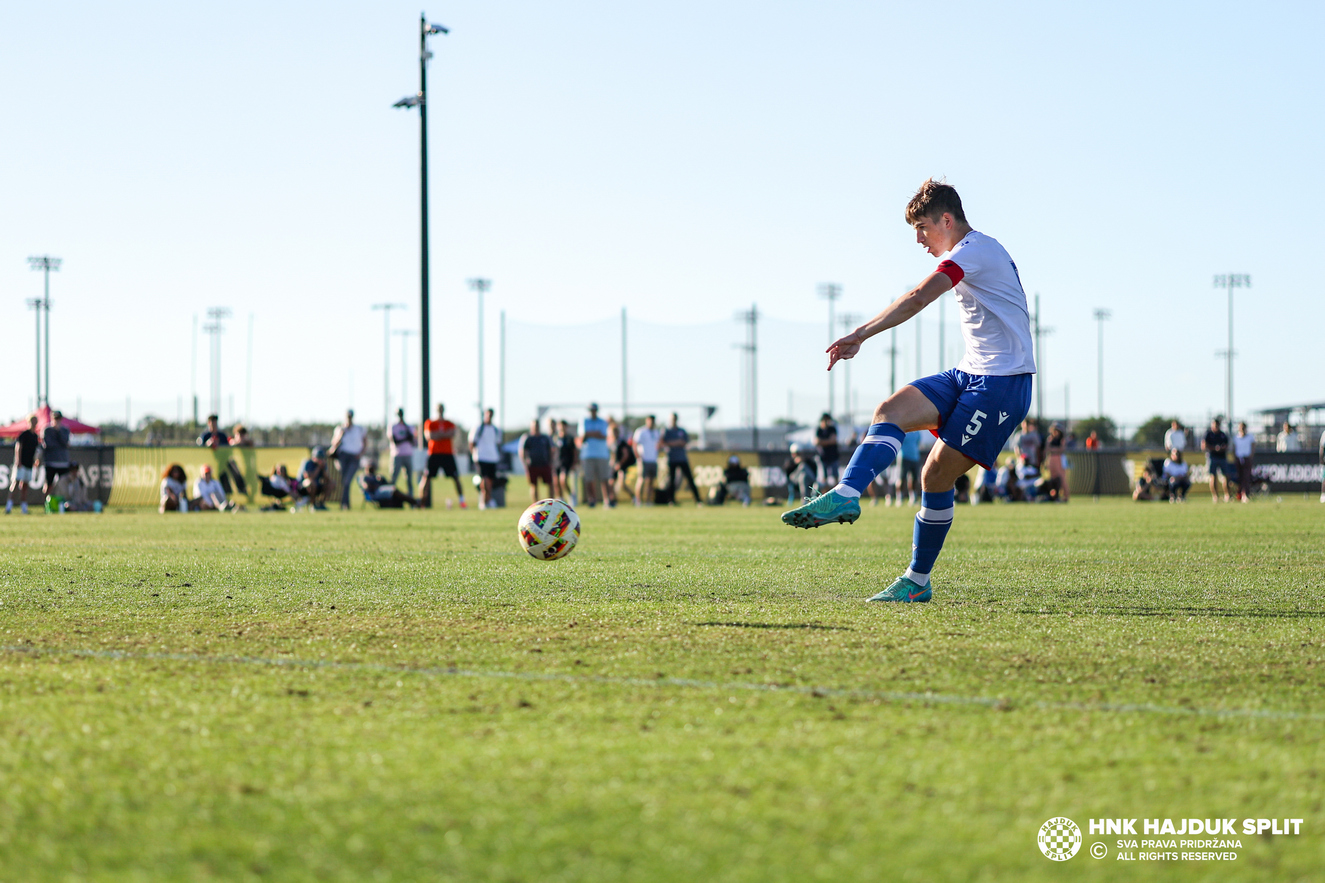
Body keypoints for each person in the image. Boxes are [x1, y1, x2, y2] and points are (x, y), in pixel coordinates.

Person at [782, 179, 1035, 603]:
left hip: (1002, 384)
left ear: (946, 220)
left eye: (922, 227)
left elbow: (919, 297)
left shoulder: (973, 251)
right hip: (969, 373)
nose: (918, 238)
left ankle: (917, 582)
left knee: (935, 475)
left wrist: (861, 333)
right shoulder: (975, 251)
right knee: (891, 409)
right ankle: (845, 495)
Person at [420, 403, 465, 509]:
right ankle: (421, 502)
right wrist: (444, 434)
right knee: (427, 477)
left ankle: (462, 501)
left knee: (455, 477)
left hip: (447, 453)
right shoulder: (430, 422)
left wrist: (438, 435)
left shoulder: (449, 423)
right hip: (434, 453)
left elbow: (452, 433)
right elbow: (430, 436)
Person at [328, 409, 367, 510]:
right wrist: (341, 434)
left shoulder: (359, 429)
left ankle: (345, 504)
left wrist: (361, 453)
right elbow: (334, 444)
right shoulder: (340, 428)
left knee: (347, 481)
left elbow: (365, 442)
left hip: (354, 457)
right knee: (344, 481)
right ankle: (345, 504)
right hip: (343, 456)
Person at [661, 412, 702, 505]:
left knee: (690, 479)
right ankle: (671, 500)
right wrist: (677, 443)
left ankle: (698, 500)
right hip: (672, 458)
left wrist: (674, 443)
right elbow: (664, 442)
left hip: (682, 458)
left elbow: (684, 442)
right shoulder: (666, 430)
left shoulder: (681, 430)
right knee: (671, 480)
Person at [577, 404, 612, 507]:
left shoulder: (602, 422)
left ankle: (607, 500)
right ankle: (592, 500)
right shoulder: (584, 421)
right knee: (589, 479)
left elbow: (603, 436)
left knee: (604, 478)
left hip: (602, 454)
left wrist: (590, 433)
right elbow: (582, 436)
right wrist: (594, 433)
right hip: (587, 454)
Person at [469, 408, 502, 509]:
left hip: (492, 458)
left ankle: (487, 499)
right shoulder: (479, 428)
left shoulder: (496, 429)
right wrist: (473, 455)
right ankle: (485, 500)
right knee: (485, 479)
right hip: (482, 457)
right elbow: (472, 442)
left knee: (490, 480)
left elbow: (498, 444)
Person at [6, 414, 39, 514]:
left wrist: (35, 460)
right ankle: (9, 506)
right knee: (15, 483)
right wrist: (18, 460)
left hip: (29, 464)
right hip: (21, 463)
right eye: (31, 421)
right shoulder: (24, 434)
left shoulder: (35, 436)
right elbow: (18, 447)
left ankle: (23, 508)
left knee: (25, 486)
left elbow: (35, 450)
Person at [518, 418, 556, 503]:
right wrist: (525, 464)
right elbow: (523, 451)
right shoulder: (528, 438)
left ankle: (551, 503)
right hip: (533, 465)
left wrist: (551, 462)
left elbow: (550, 450)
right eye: (534, 426)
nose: (536, 427)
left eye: (537, 426)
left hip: (544, 464)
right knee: (534, 485)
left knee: (550, 484)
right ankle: (536, 504)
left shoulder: (545, 438)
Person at [40, 410, 71, 496]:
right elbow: (48, 444)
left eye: (58, 419)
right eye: (55, 418)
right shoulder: (47, 430)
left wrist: (58, 431)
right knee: (48, 484)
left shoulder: (65, 430)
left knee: (63, 484)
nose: (57, 421)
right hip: (51, 462)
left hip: (63, 462)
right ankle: (46, 502)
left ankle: (62, 504)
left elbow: (65, 442)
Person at [632, 414, 661, 505]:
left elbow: (658, 445)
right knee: (642, 480)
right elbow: (634, 444)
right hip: (643, 459)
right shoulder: (641, 431)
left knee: (651, 481)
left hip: (653, 459)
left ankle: (648, 500)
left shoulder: (656, 432)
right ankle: (638, 500)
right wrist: (638, 457)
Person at [387, 408, 416, 496]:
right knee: (393, 478)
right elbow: (395, 441)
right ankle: (389, 496)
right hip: (397, 455)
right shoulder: (393, 427)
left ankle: (411, 498)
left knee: (409, 479)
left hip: (408, 454)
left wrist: (406, 430)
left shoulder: (409, 427)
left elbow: (412, 439)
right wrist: (405, 438)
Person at [1202, 417, 1232, 503]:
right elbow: (1204, 446)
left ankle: (1227, 495)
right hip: (1212, 457)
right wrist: (1214, 448)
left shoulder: (1222, 434)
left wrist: (1221, 448)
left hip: (1222, 457)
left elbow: (1227, 445)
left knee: (1226, 476)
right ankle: (1215, 496)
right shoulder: (1208, 434)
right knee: (1213, 476)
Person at [610, 420, 638, 506]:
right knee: (611, 483)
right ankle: (613, 500)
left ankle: (634, 497)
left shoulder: (621, 442)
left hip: (622, 466)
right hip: (615, 466)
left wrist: (620, 464)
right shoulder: (612, 443)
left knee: (622, 484)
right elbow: (613, 455)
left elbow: (625, 455)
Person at [895, 430, 922, 507]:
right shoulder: (903, 432)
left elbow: (917, 443)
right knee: (902, 478)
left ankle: (913, 497)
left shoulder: (917, 432)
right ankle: (899, 497)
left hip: (915, 457)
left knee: (914, 479)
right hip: (904, 457)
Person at [1043, 422, 1069, 502]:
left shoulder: (1061, 440)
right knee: (1052, 478)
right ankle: (1054, 496)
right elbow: (1047, 449)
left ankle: (1065, 496)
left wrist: (1053, 450)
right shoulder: (1050, 439)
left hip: (1059, 459)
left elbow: (1061, 449)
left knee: (1061, 478)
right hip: (1051, 459)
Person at [555, 419, 579, 506]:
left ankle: (571, 495)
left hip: (566, 462)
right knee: (556, 482)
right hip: (557, 462)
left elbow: (574, 452)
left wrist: (574, 463)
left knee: (563, 480)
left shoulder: (569, 438)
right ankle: (560, 500)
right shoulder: (556, 438)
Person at [815, 414, 841, 486]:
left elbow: (833, 440)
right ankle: (825, 495)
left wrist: (823, 442)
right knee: (824, 478)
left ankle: (836, 494)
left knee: (835, 476)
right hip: (823, 457)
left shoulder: (832, 429)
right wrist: (828, 441)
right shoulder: (819, 430)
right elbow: (817, 442)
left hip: (833, 456)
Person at [1232, 422, 1255, 503]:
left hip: (1246, 458)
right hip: (1238, 459)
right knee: (1239, 477)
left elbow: (1253, 447)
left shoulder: (1250, 437)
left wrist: (1250, 457)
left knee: (1246, 477)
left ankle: (1246, 494)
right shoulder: (1236, 438)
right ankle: (1239, 494)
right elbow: (1234, 449)